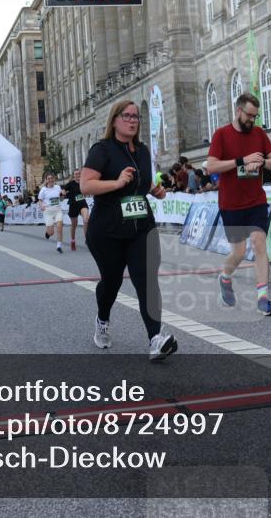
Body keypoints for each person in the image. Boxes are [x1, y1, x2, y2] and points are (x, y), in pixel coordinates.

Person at [81, 99, 176, 361]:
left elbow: (141, 184)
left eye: (136, 117)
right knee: (110, 283)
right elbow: (86, 186)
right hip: (107, 230)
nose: (133, 120)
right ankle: (102, 319)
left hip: (141, 227)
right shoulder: (102, 150)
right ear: (114, 120)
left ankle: (155, 339)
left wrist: (154, 190)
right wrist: (117, 182)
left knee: (146, 280)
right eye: (127, 116)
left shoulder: (143, 151)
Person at [206, 92, 271, 316]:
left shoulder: (259, 133)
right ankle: (225, 277)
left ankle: (263, 299)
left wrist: (262, 162)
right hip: (231, 204)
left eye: (255, 116)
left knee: (259, 243)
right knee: (238, 253)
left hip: (256, 200)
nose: (252, 120)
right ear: (238, 111)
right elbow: (211, 167)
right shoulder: (221, 134)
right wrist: (242, 161)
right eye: (249, 115)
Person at [64, 169, 89, 251]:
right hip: (73, 205)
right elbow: (63, 190)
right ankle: (73, 241)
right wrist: (63, 193)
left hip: (82, 204)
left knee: (86, 220)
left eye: (79, 174)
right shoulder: (70, 184)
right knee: (74, 225)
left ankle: (87, 240)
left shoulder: (83, 182)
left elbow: (87, 191)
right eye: (76, 174)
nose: (78, 175)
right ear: (74, 175)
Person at [39, 173, 65, 253]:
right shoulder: (43, 190)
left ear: (54, 179)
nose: (50, 180)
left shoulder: (58, 187)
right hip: (48, 211)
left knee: (59, 227)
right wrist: (41, 206)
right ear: (46, 180)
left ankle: (59, 246)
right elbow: (39, 200)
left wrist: (63, 196)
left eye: (52, 178)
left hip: (57, 210)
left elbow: (61, 199)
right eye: (49, 178)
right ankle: (48, 233)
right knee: (51, 233)